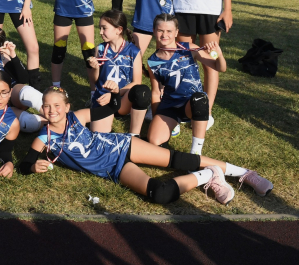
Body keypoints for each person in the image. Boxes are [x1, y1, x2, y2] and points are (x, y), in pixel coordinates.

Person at [18, 87, 273, 205]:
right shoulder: (44, 138)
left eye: (57, 105)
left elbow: (111, 109)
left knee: (177, 159)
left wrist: (113, 95)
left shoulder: (78, 116)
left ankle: (245, 174)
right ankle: (208, 175)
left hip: (121, 146)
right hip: (114, 170)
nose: (51, 110)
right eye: (46, 106)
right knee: (160, 194)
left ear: (66, 107)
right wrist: (32, 167)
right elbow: (25, 163)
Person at [147, 14, 225, 153]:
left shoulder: (189, 48)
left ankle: (195, 152)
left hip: (192, 104)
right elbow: (156, 93)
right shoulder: (152, 62)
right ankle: (173, 124)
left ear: (176, 32)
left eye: (169, 31)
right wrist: (156, 118)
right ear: (154, 31)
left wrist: (219, 54)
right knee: (154, 141)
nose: (165, 35)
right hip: (170, 105)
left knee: (200, 98)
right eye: (160, 30)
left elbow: (220, 68)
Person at [85, 10, 149, 135]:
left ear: (119, 30)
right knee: (99, 136)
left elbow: (136, 82)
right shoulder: (100, 49)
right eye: (100, 28)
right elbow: (95, 80)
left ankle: (134, 135)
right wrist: (95, 68)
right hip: (103, 99)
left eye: (104, 28)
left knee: (142, 91)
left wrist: (114, 95)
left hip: (122, 99)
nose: (100, 32)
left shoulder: (133, 51)